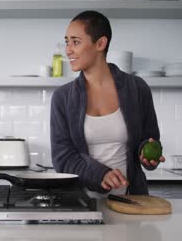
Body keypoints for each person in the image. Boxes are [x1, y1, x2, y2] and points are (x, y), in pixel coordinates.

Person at [50, 10, 165, 196]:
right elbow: (63, 158)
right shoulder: (63, 97)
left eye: (75, 42)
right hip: (81, 202)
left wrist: (147, 155)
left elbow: (149, 140)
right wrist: (100, 175)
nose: (68, 50)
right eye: (67, 42)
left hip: (131, 200)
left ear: (100, 43)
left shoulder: (137, 88)